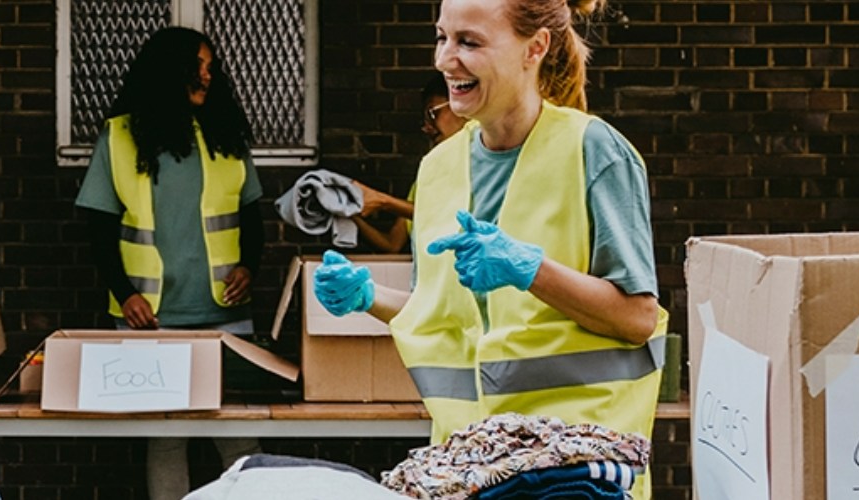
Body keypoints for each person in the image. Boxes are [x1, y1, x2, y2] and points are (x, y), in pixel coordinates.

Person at [313, 0, 666, 498]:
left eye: (469, 42)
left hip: (576, 471)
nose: (444, 59)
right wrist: (369, 297)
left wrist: (531, 269)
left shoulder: (594, 151)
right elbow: (449, 319)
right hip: (468, 471)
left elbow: (637, 319)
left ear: (535, 48)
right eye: (442, 37)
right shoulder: (437, 169)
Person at [72, 27, 266, 500]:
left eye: (211, 68)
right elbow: (98, 229)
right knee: (166, 439)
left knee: (240, 439)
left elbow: (252, 217)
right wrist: (125, 294)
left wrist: (249, 267)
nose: (207, 76)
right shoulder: (120, 136)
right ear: (168, 73)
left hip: (224, 314)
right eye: (197, 67)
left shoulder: (225, 134)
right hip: (150, 318)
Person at [351, 76, 469, 253]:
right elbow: (392, 244)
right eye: (425, 119)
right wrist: (348, 213)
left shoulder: (480, 161)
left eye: (432, 114)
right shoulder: (428, 173)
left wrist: (383, 201)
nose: (427, 127)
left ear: (461, 106)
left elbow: (452, 218)